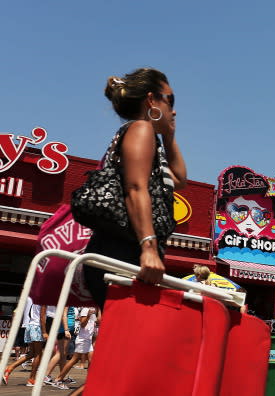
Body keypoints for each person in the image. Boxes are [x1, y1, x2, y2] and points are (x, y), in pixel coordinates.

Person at [83, 67, 187, 309]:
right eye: (169, 99)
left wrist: (169, 137)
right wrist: (149, 247)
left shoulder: (149, 138)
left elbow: (179, 180)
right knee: (131, 338)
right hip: (124, 252)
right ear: (151, 100)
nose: (174, 109)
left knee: (129, 340)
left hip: (127, 251)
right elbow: (135, 187)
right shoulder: (141, 129)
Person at [53, 307, 98, 390]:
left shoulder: (94, 309)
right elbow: (82, 324)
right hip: (82, 340)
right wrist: (88, 315)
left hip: (88, 340)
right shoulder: (86, 310)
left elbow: (98, 321)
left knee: (92, 360)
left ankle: (91, 382)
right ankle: (58, 379)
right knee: (74, 360)